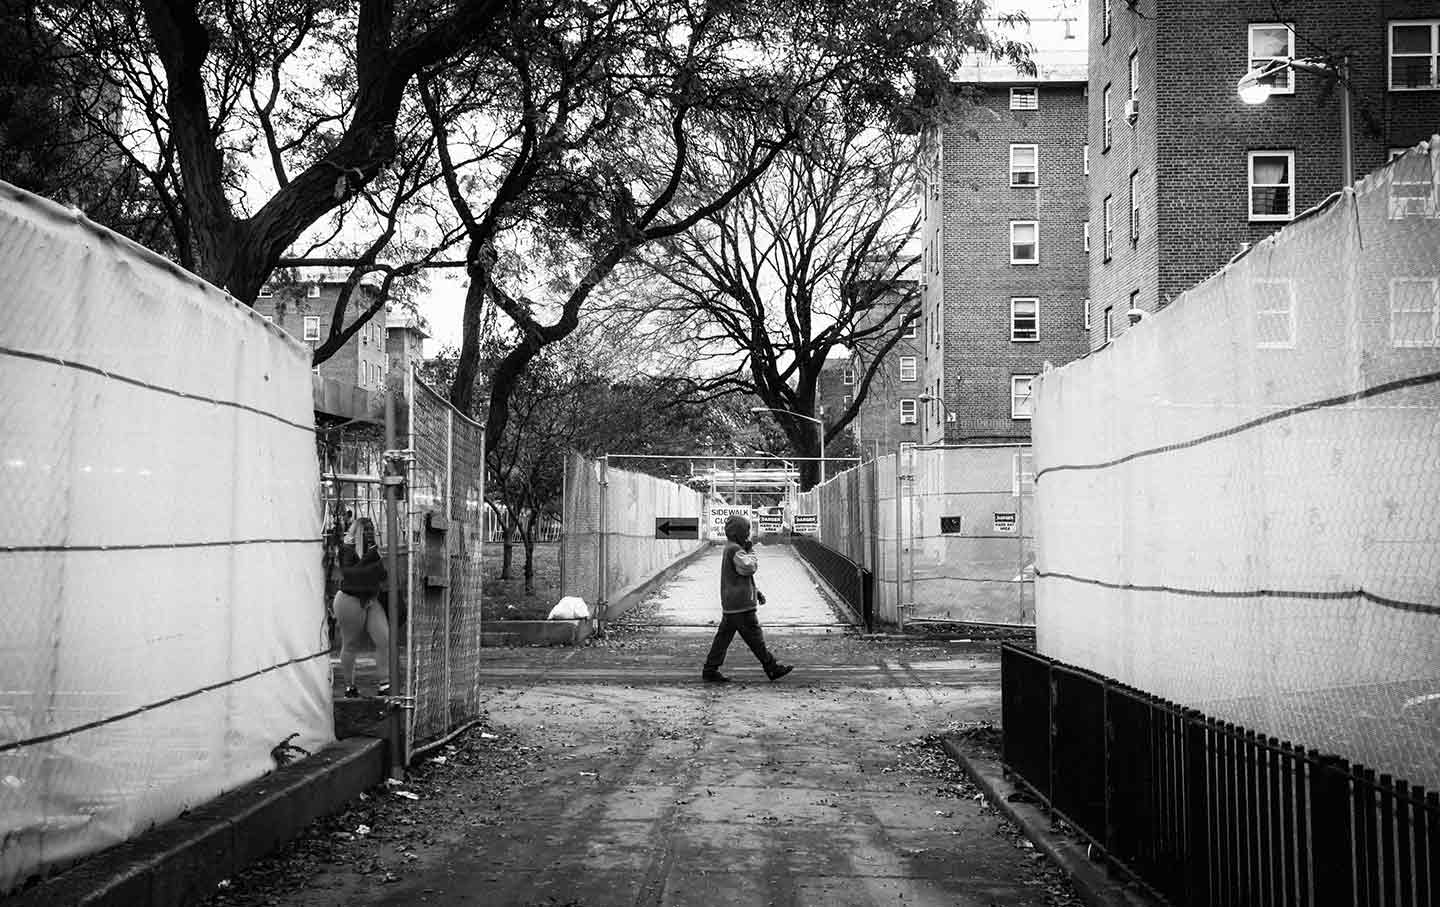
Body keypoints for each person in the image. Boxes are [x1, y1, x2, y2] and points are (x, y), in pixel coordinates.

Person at [702, 514, 793, 683]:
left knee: (723, 638)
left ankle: (710, 669)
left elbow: (741, 576)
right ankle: (771, 667)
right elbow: (748, 567)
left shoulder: (731, 547)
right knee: (754, 637)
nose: (748, 534)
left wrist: (756, 591)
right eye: (746, 530)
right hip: (741, 604)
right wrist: (750, 551)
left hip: (733, 603)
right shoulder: (735, 549)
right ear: (738, 532)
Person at [334, 517, 391, 698]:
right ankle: (350, 686)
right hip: (349, 599)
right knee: (351, 644)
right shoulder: (347, 549)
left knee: (384, 639)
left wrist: (373, 557)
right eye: (365, 531)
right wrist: (369, 559)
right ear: (357, 532)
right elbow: (351, 575)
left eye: (371, 530)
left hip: (370, 599)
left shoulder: (374, 551)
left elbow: (382, 575)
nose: (369, 534)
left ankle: (385, 683)